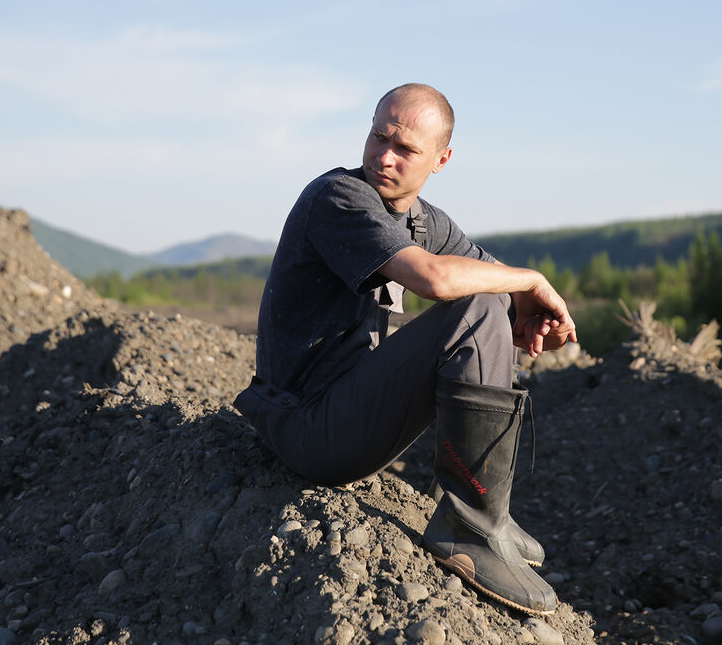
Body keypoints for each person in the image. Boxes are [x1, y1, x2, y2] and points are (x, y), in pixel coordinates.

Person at [234, 82, 577, 615]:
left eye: (405, 149)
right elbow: (436, 280)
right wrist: (531, 280)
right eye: (378, 137)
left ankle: (486, 514)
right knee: (476, 305)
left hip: (349, 415)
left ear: (441, 160)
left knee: (487, 303)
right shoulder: (338, 198)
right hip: (305, 427)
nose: (384, 157)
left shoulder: (424, 221)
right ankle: (467, 530)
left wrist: (531, 321)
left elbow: (491, 287)